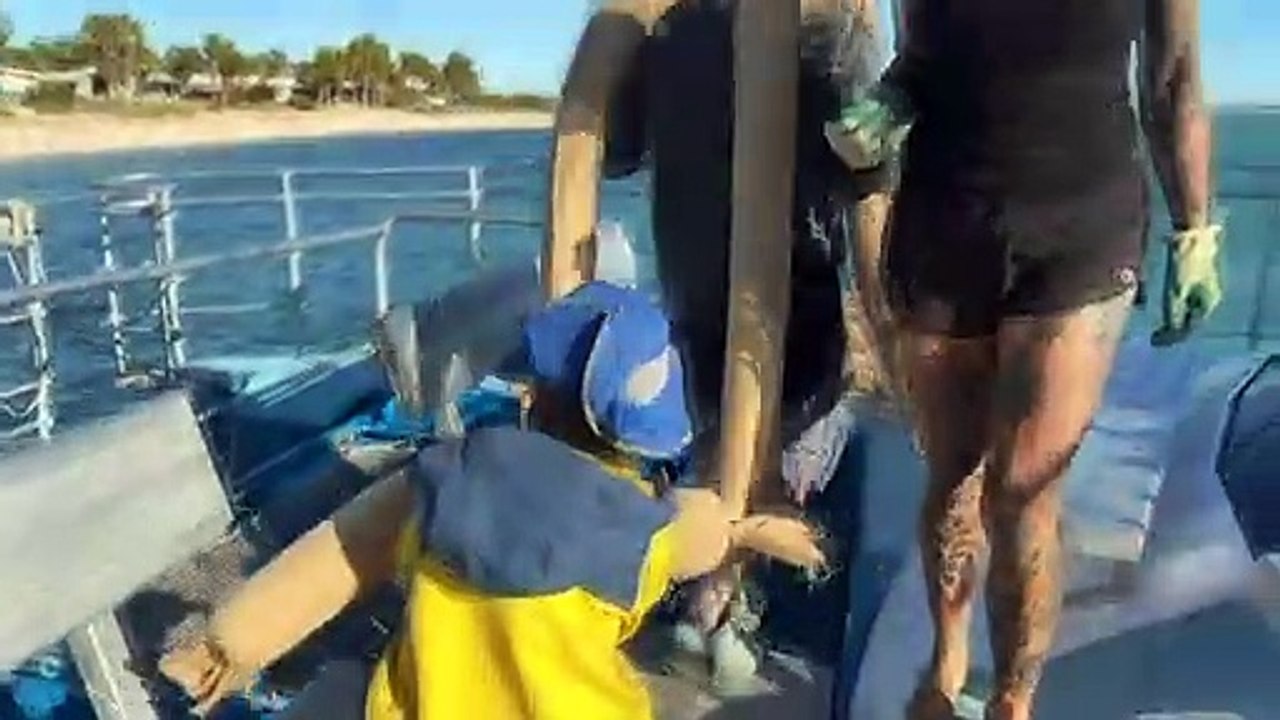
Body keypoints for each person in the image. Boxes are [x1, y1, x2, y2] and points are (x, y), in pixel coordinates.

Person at [157, 281, 826, 720]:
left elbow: (330, 560)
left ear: (531, 394)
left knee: (340, 688)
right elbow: (703, 532)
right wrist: (751, 532)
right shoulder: (646, 531)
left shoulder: (442, 474)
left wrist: (226, 647)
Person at [827, 0, 1221, 718]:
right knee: (951, 472)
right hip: (943, 224)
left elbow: (1174, 76)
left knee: (1021, 492)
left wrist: (1195, 227)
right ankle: (947, 661)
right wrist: (886, 102)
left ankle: (1014, 696)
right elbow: (925, 59)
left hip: (1082, 231)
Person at [545, 0, 894, 688]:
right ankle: (722, 602)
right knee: (796, 434)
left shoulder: (662, 25)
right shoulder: (830, 22)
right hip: (798, 305)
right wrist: (894, 334)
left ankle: (703, 592)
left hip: (690, 294)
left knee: (712, 436)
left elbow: (614, 152)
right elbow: (868, 181)